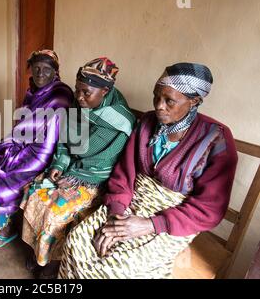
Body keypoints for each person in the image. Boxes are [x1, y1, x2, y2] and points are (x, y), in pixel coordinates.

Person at [59, 62, 238, 279]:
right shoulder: (146, 123)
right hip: (131, 202)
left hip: (174, 218)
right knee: (77, 243)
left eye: (169, 100)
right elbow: (124, 174)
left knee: (117, 271)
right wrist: (116, 214)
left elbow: (209, 208)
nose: (159, 106)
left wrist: (150, 225)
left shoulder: (216, 139)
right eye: (156, 97)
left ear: (194, 101)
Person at [20, 57, 135, 278]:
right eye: (77, 90)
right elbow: (65, 140)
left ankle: (53, 261)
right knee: (32, 191)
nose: (79, 97)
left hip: (95, 178)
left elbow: (101, 160)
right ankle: (38, 252)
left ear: (104, 91)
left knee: (55, 210)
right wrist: (60, 163)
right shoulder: (78, 104)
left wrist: (71, 173)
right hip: (72, 169)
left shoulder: (119, 122)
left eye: (86, 93)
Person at [0, 50, 74, 250]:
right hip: (27, 144)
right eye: (36, 68)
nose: (40, 73)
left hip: (44, 152)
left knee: (5, 172)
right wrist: (12, 144)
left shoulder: (60, 94)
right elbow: (24, 124)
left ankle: (5, 229)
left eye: (46, 69)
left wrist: (10, 142)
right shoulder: (33, 90)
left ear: (56, 71)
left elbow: (31, 127)